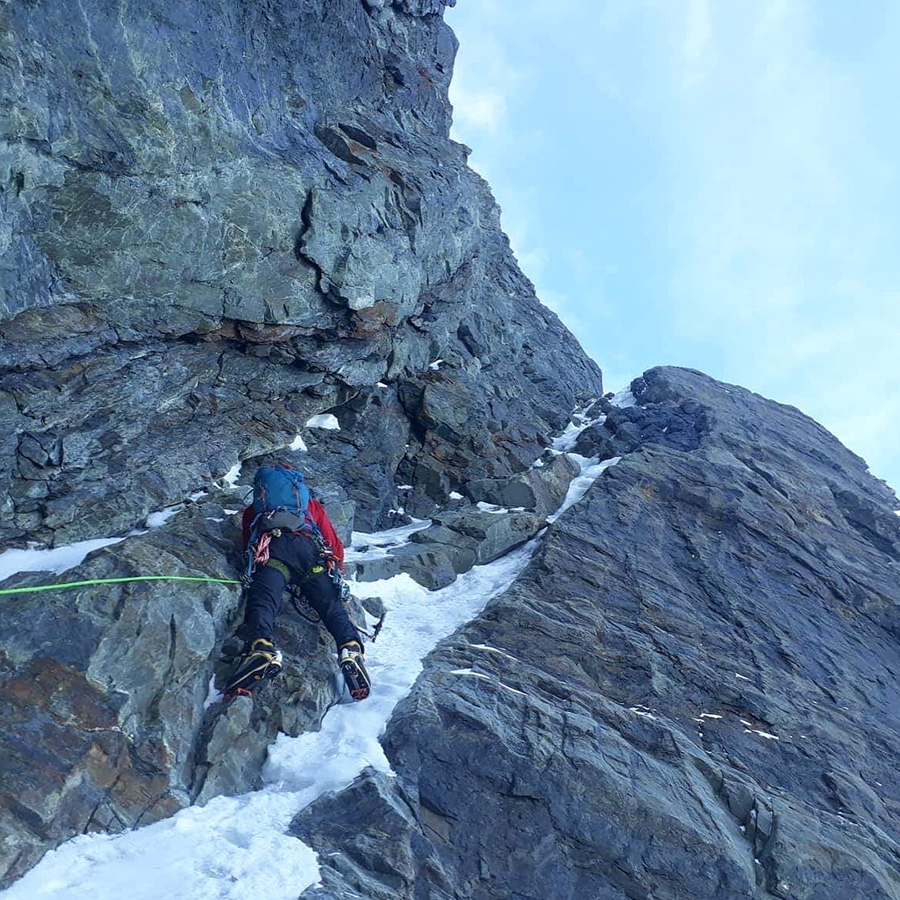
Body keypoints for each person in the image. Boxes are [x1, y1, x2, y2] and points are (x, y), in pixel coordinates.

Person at [224, 465, 370, 701]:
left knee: (264, 601)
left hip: (273, 551)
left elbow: (247, 542)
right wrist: (336, 572)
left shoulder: (256, 509)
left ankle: (261, 647)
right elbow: (333, 541)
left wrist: (253, 567)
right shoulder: (309, 506)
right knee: (331, 607)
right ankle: (350, 647)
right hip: (309, 553)